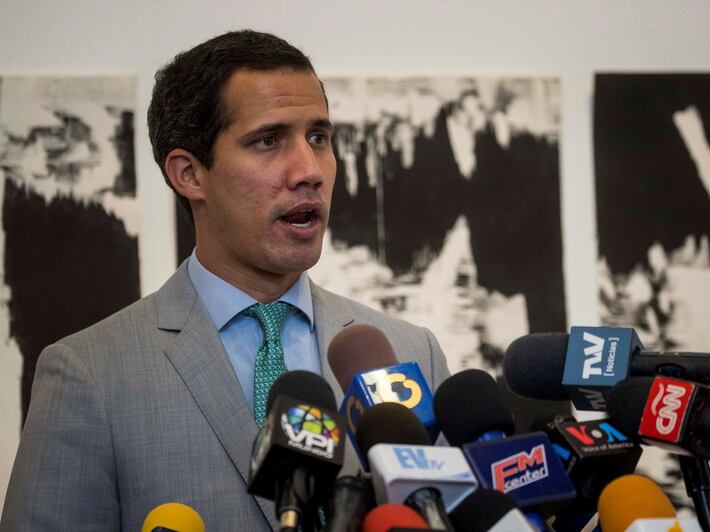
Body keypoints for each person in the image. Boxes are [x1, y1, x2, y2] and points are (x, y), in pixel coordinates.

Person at [1, 30, 449, 531]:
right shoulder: (89, 375)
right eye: (268, 140)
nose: (310, 170)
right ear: (189, 174)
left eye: (319, 138)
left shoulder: (412, 355)